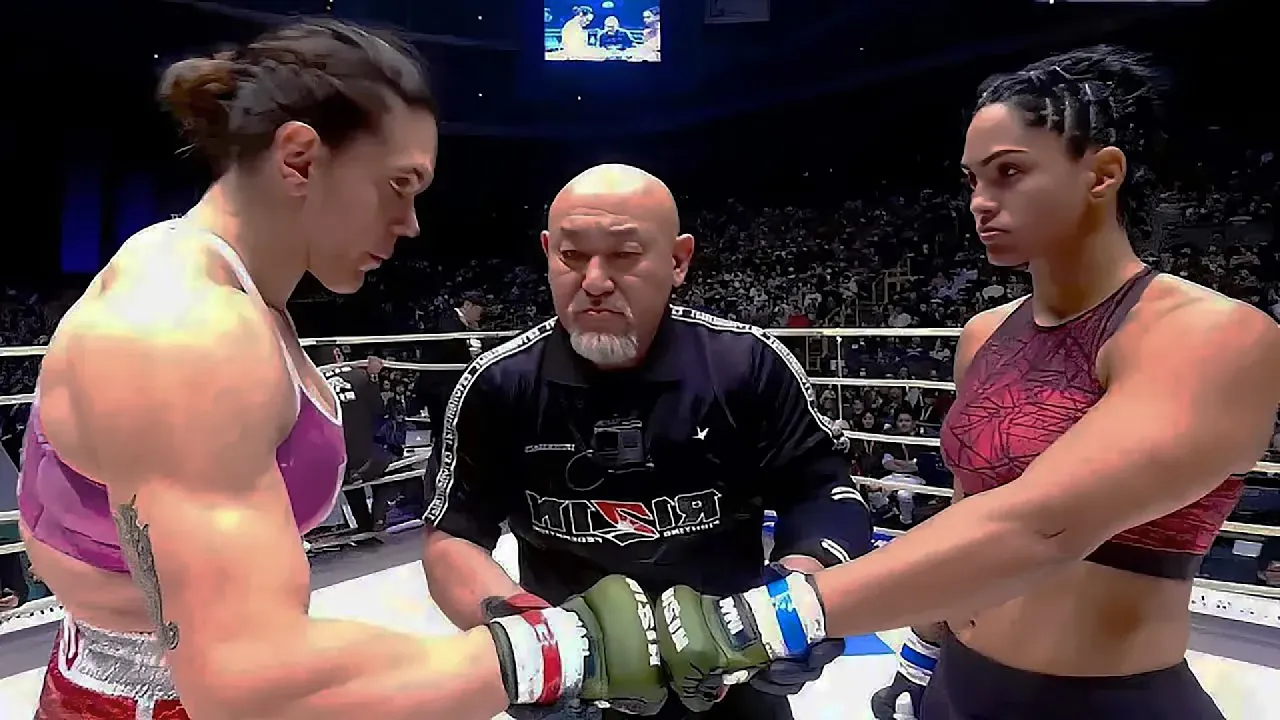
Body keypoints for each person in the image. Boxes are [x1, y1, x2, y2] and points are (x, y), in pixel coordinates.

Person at [16, 20, 672, 720]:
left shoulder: (237, 295)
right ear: (299, 159)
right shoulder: (185, 328)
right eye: (399, 185)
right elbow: (247, 682)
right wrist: (566, 649)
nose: (411, 222)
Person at [648, 46, 1280, 720]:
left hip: (1106, 702)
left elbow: (1039, 528)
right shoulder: (985, 333)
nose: (980, 202)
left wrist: (766, 620)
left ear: (1102, 174)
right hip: (958, 683)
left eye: (1009, 172)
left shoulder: (1210, 334)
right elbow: (968, 516)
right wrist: (920, 658)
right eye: (973, 178)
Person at [421, 163, 873, 720]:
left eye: (624, 255)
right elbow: (453, 536)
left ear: (678, 261)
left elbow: (824, 493)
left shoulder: (747, 365)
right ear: (546, 253)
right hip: (577, 679)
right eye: (571, 255)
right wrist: (527, 637)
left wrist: (794, 599)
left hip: (737, 672)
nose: (594, 281)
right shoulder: (498, 384)